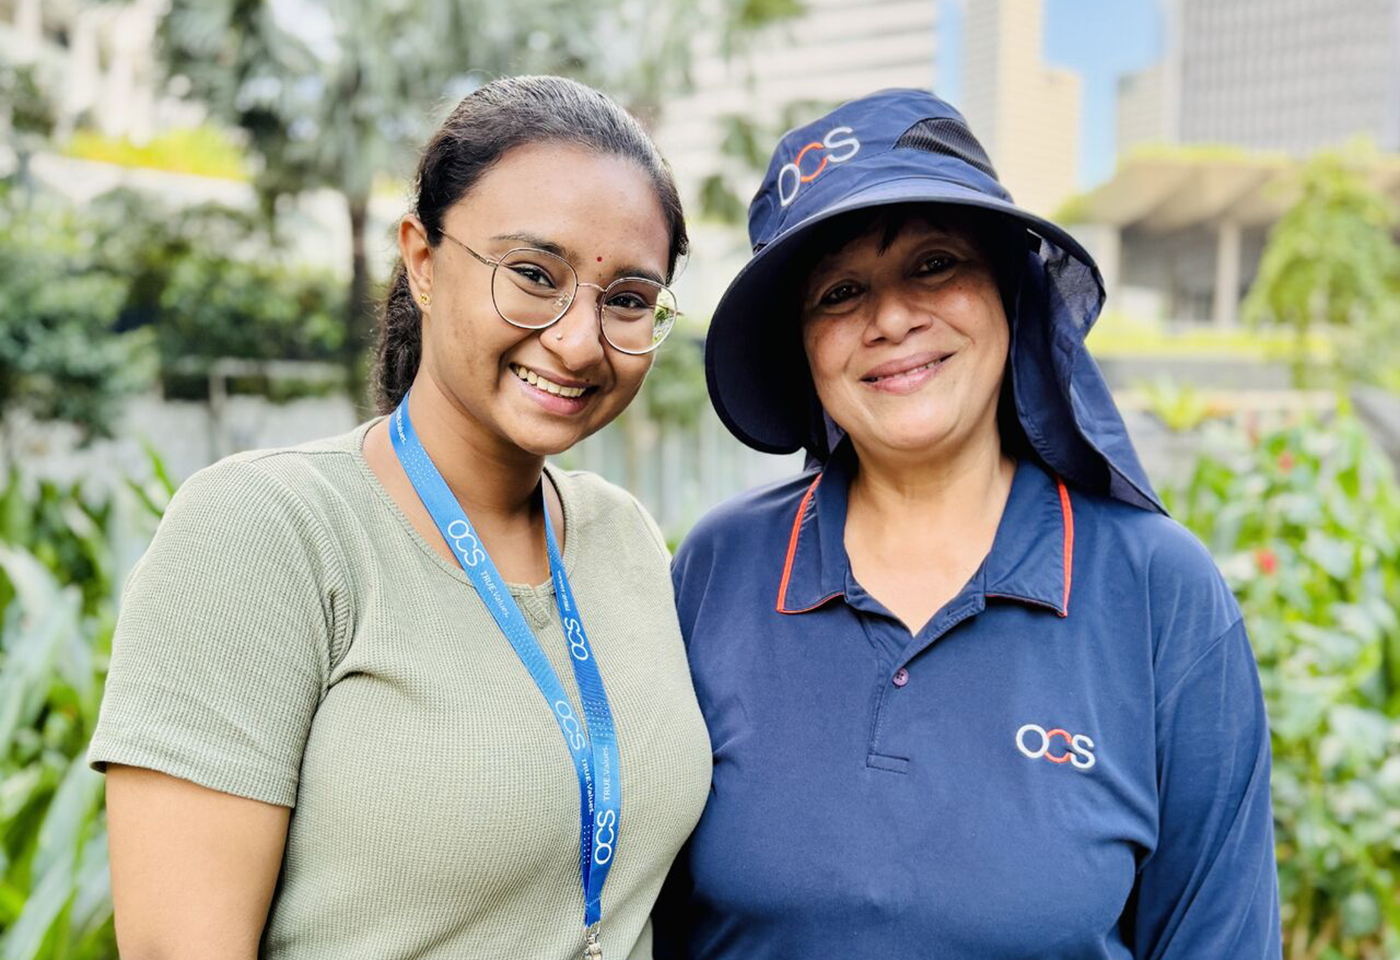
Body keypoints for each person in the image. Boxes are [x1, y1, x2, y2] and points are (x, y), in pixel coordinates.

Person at [89, 75, 712, 960]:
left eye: (628, 300)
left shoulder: (627, 542)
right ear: (422, 259)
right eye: (534, 275)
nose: (580, 341)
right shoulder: (266, 532)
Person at [655, 89, 1281, 959]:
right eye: (840, 291)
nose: (892, 320)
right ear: (803, 348)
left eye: (935, 264)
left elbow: (1220, 938)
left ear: (1008, 293)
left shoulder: (1156, 592)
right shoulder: (718, 569)